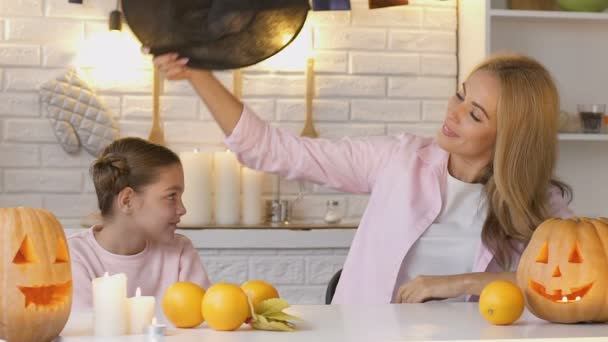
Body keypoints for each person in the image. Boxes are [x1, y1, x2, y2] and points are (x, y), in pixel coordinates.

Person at [152, 52, 572, 304]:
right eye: (461, 94)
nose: (453, 113)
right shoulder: (399, 159)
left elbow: (569, 286)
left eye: (475, 114)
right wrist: (198, 75)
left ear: (510, 137)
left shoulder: (540, 204)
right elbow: (273, 150)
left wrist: (458, 284)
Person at [68, 137, 212, 316]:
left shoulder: (180, 251)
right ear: (127, 200)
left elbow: (204, 325)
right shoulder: (75, 257)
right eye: (171, 196)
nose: (182, 209)